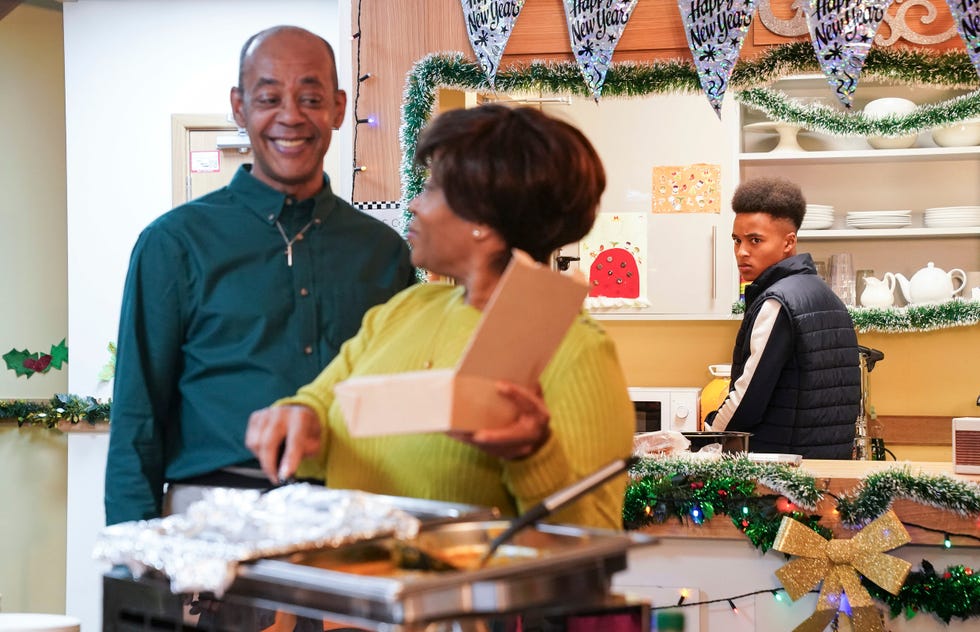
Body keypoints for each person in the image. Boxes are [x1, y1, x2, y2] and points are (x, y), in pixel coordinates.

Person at [245, 104, 635, 530]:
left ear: (482, 220)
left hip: (468, 596)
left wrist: (533, 457)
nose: (413, 205)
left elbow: (594, 538)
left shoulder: (575, 348)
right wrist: (297, 417)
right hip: (367, 584)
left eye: (430, 188)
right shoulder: (406, 310)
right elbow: (322, 404)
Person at [104, 26, 416, 526]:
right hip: (210, 516)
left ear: (338, 108)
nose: (290, 116)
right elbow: (137, 418)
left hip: (350, 514)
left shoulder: (381, 251)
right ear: (239, 106)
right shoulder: (174, 243)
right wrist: (133, 557)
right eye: (269, 97)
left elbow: (403, 400)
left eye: (310, 98)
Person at [705, 176, 860, 459]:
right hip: (821, 469)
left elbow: (746, 400)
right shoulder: (825, 294)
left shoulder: (778, 302)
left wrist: (710, 436)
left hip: (781, 472)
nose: (742, 252)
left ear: (789, 243)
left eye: (755, 240)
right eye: (736, 240)